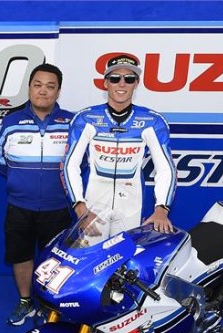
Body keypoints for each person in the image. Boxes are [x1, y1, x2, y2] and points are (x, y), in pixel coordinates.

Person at [0, 63, 74, 326]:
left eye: (50, 86)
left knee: (55, 261)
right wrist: (19, 178)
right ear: (29, 88)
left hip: (57, 207)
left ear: (58, 91)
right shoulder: (11, 121)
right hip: (20, 205)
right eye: (37, 85)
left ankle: (50, 306)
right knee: (22, 256)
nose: (43, 91)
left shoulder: (72, 123)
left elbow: (78, 162)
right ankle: (26, 301)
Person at [62, 54, 177, 239]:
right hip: (93, 205)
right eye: (115, 78)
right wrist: (80, 207)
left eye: (129, 79)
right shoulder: (86, 118)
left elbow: (166, 169)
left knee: (125, 256)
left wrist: (162, 208)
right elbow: (69, 165)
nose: (122, 84)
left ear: (136, 83)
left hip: (131, 207)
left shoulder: (152, 121)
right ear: (105, 83)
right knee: (90, 256)